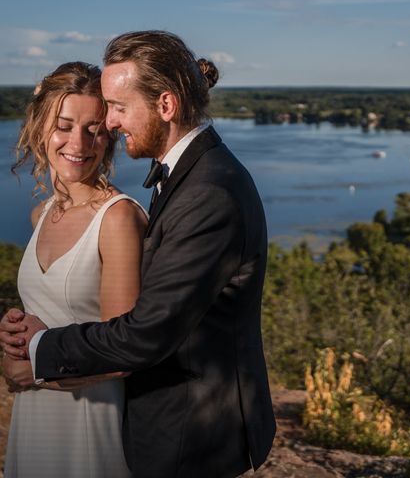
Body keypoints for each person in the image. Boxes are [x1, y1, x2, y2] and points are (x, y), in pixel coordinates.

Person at [1, 31, 276, 478]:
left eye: (115, 109)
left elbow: (144, 333)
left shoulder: (208, 191)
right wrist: (19, 334)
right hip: (110, 417)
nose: (108, 124)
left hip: (185, 433)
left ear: (165, 106)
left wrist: (35, 354)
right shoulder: (181, 176)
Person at [4, 61, 147, 477]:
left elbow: (124, 351)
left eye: (94, 129)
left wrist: (35, 372)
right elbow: (49, 316)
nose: (78, 143)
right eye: (64, 126)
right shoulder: (41, 214)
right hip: (36, 416)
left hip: (91, 419)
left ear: (109, 136)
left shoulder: (117, 218)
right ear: (39, 128)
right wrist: (15, 335)